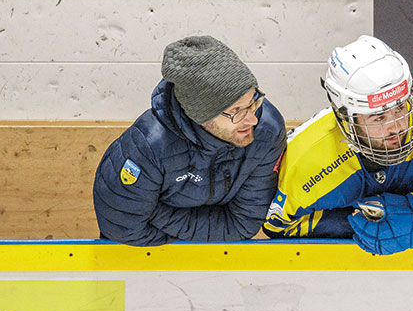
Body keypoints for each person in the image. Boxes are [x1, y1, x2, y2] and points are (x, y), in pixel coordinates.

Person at [263, 35, 413, 255]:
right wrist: (355, 223)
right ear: (346, 116)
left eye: (401, 107)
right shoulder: (307, 158)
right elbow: (273, 230)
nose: (397, 126)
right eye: (378, 117)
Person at [93, 35, 286, 246]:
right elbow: (123, 229)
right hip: (145, 257)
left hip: (219, 258)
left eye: (253, 102)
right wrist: (180, 247)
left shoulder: (266, 131)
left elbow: (243, 223)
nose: (252, 118)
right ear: (201, 115)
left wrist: (156, 215)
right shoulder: (148, 147)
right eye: (236, 111)